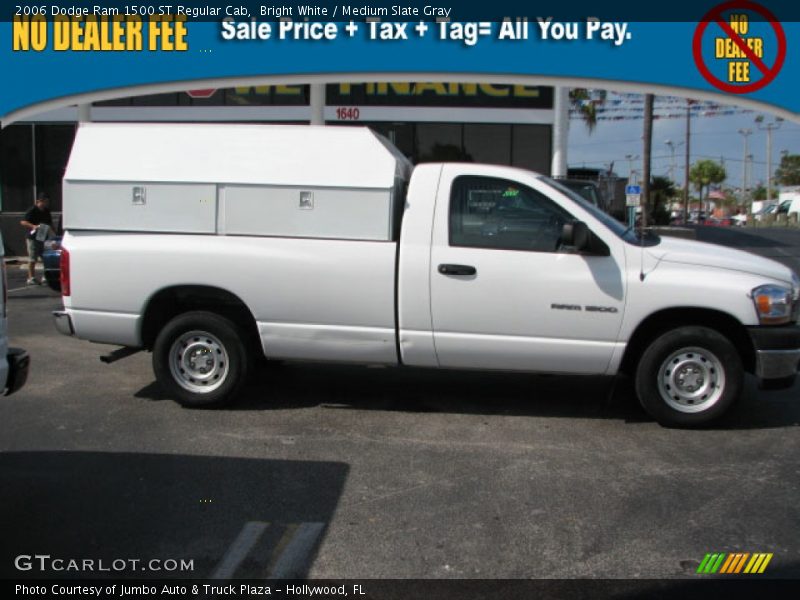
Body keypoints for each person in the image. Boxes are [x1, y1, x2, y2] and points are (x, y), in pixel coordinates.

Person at [20, 192, 54, 285]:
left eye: (47, 201)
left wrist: (53, 235)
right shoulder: (32, 210)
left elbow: (50, 224)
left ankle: (45, 277)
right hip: (32, 237)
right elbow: (23, 222)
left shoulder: (46, 211)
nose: (46, 203)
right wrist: (33, 226)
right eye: (44, 201)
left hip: (43, 236)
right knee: (32, 258)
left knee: (45, 258)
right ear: (38, 201)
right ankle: (31, 278)